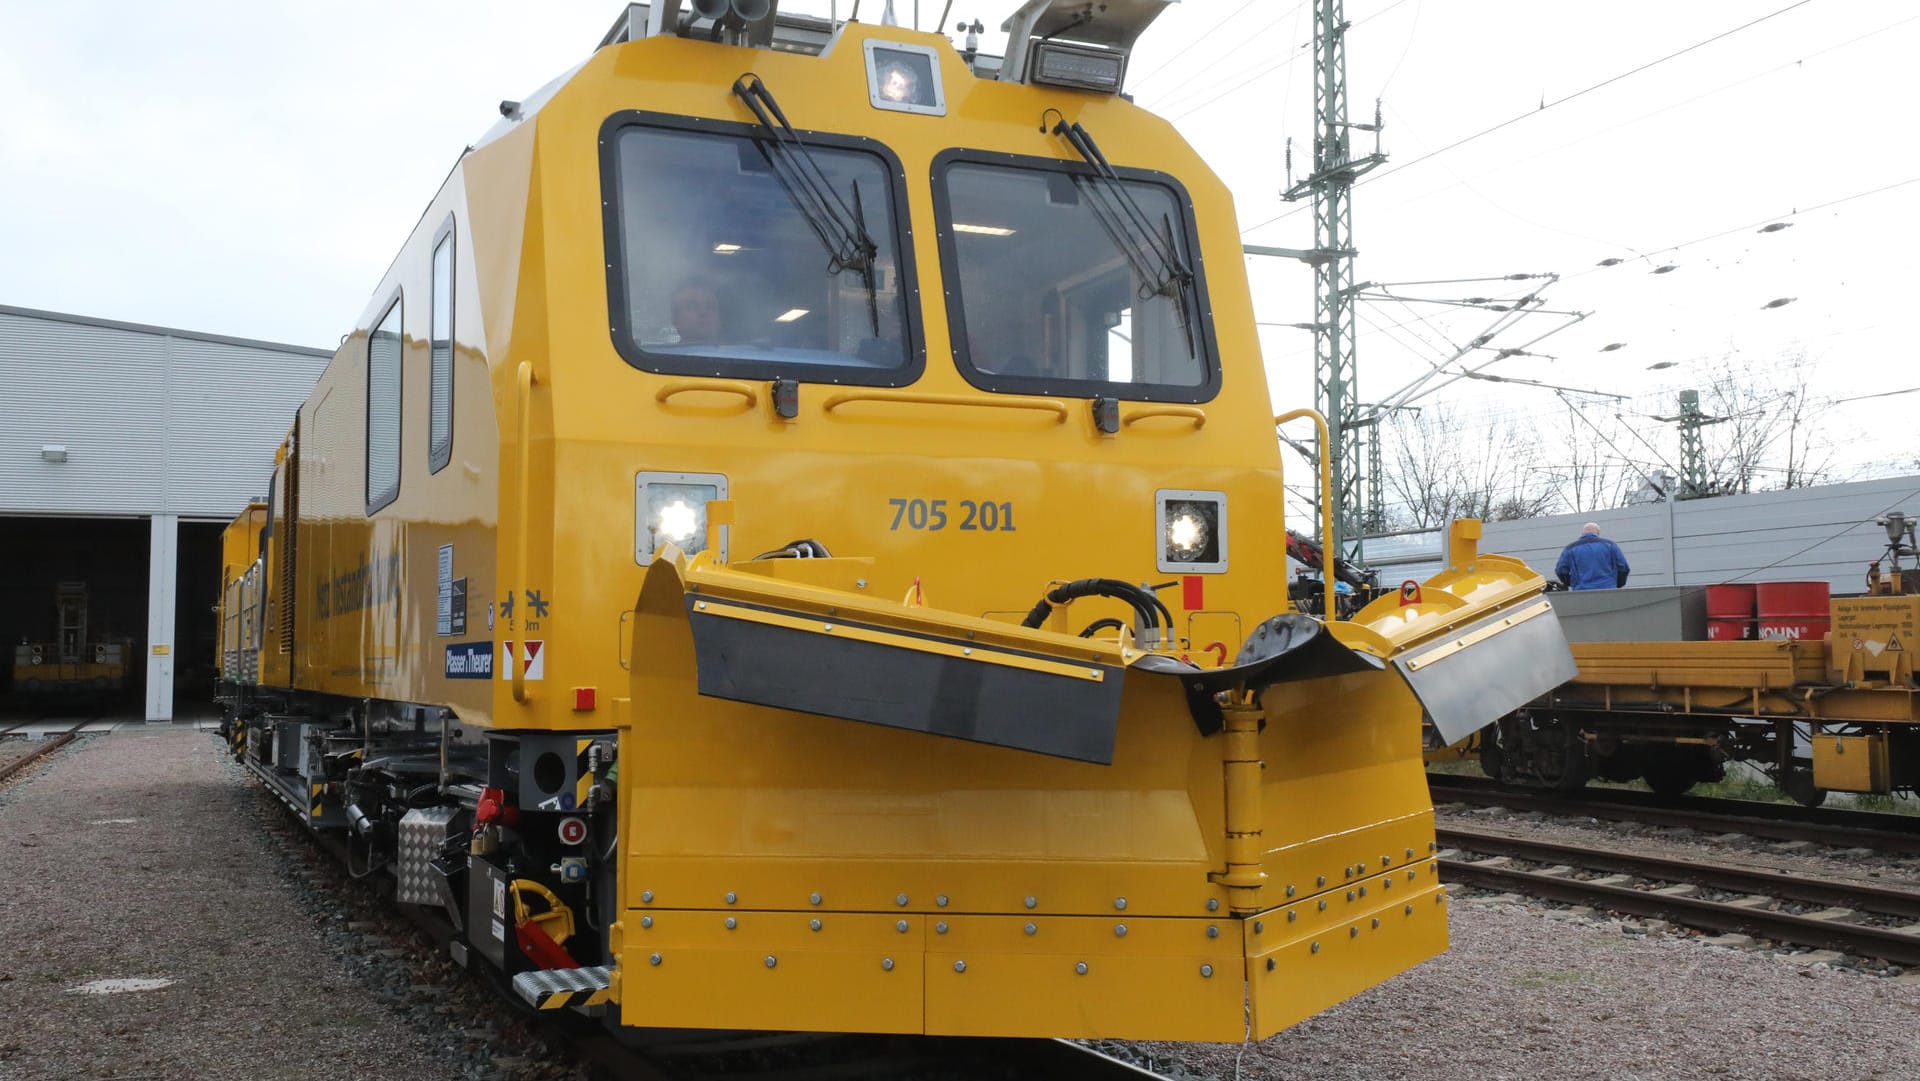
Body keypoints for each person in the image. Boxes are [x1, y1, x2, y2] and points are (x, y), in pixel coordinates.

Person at [1556, 522, 1630, 591]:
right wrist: (1617, 583)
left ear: (1582, 533)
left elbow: (1561, 570)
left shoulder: (1570, 548)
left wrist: (1571, 583)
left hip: (1581, 591)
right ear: (1598, 533)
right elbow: (1623, 567)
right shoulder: (1611, 545)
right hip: (1608, 589)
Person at [669, 280, 722, 345]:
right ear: (675, 319)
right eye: (692, 306)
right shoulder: (658, 353)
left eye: (710, 307)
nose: (704, 312)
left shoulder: (733, 353)